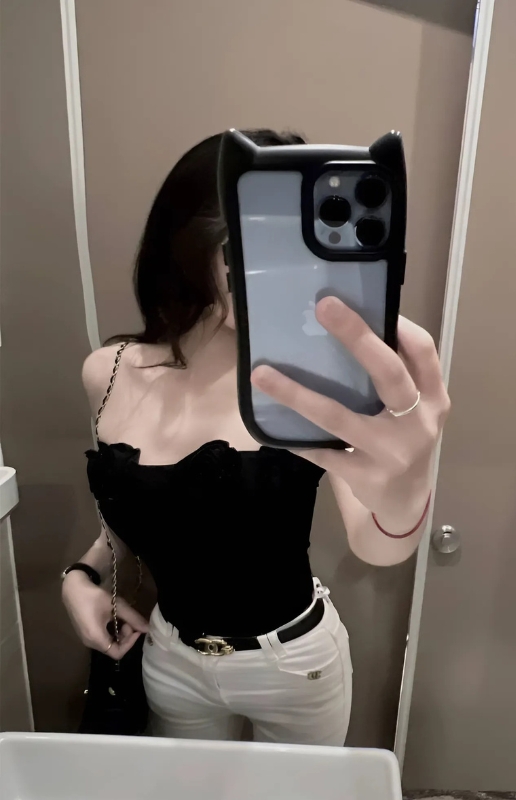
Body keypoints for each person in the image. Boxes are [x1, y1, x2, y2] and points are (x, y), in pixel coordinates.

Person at [62, 129, 450, 746]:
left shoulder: (318, 379)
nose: (266, 269)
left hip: (295, 664)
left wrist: (407, 489)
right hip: (170, 657)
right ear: (186, 243)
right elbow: (135, 512)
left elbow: (375, 545)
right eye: (246, 242)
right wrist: (80, 576)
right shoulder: (107, 372)